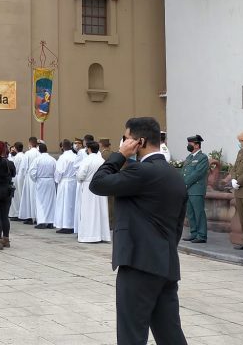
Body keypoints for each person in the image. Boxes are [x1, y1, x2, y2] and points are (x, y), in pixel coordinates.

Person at [89, 117, 187, 345]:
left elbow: (98, 183)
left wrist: (119, 155)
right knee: (170, 334)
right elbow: (177, 225)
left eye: (126, 138)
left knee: (131, 334)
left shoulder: (141, 171)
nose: (123, 143)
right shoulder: (175, 175)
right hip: (166, 264)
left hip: (139, 265)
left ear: (139, 142)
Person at [76, 141, 111, 243]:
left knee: (88, 211)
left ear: (89, 149)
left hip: (88, 187)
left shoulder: (87, 160)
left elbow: (81, 175)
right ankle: (102, 234)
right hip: (100, 186)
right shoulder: (102, 160)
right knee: (101, 211)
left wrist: (79, 179)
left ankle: (89, 235)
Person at [181, 135, 209, 243]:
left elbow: (197, 173)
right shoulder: (189, 157)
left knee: (199, 213)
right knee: (190, 213)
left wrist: (185, 183)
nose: (188, 146)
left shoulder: (202, 158)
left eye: (190, 144)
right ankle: (194, 233)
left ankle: (201, 235)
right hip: (188, 189)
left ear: (197, 145)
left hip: (196, 190)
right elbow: (184, 172)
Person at [54, 139, 79, 234]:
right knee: (72, 204)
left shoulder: (63, 158)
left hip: (65, 182)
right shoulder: (75, 156)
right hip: (74, 181)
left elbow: (59, 171)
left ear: (62, 147)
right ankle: (72, 224)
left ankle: (66, 225)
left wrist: (57, 180)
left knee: (64, 204)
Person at [29, 142, 57, 229]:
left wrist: (36, 179)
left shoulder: (37, 160)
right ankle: (51, 221)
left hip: (41, 181)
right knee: (51, 201)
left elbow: (32, 172)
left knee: (40, 201)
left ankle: (42, 221)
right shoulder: (52, 159)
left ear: (39, 150)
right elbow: (57, 171)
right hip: (50, 181)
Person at [18, 137, 40, 225]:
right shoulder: (39, 153)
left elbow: (23, 167)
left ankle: (30, 217)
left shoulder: (28, 153)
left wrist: (22, 177)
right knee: (36, 198)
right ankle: (37, 217)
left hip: (29, 177)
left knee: (28, 198)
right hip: (38, 178)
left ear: (30, 144)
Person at [8, 142, 23, 221]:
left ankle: (15, 213)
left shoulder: (17, 157)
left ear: (16, 148)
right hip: (21, 177)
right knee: (20, 195)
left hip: (16, 177)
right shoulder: (23, 155)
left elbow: (15, 168)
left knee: (15, 196)